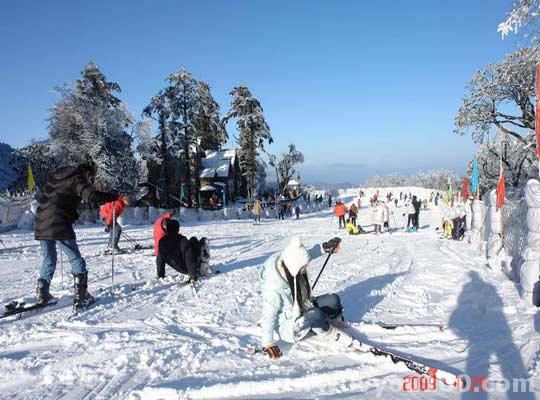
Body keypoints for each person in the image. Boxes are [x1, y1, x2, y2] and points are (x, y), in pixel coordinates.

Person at [259, 236, 364, 359]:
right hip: (289, 324)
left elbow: (306, 255)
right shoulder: (273, 287)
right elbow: (268, 315)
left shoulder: (289, 259)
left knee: (333, 300)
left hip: (304, 305)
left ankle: (330, 322)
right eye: (302, 267)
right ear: (294, 267)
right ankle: (333, 334)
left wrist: (324, 248)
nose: (305, 270)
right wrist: (267, 343)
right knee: (316, 314)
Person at [34, 163, 118, 307]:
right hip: (58, 222)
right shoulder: (76, 178)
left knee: (49, 258)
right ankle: (81, 294)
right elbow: (91, 195)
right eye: (91, 178)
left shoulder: (54, 178)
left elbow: (39, 196)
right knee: (75, 258)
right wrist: (111, 196)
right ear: (87, 173)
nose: (90, 181)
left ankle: (42, 293)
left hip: (41, 221)